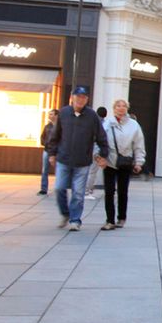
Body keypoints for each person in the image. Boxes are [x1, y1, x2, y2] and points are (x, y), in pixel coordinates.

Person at [47, 86, 109, 232]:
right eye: (78, 96)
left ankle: (75, 220)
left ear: (87, 99)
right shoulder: (63, 113)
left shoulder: (92, 116)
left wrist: (103, 155)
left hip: (83, 161)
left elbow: (101, 136)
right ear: (72, 97)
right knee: (59, 188)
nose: (80, 99)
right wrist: (52, 153)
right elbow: (55, 135)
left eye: (84, 97)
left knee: (78, 193)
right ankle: (65, 213)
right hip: (64, 159)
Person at [100, 99, 145, 231]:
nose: (121, 108)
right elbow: (100, 141)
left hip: (125, 161)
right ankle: (109, 220)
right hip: (109, 161)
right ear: (114, 109)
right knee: (109, 192)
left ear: (127, 108)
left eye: (123, 106)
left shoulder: (133, 125)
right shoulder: (107, 124)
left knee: (122, 191)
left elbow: (138, 145)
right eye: (118, 106)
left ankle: (121, 217)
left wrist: (139, 162)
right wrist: (99, 157)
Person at [84, 106, 107, 200]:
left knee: (89, 170)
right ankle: (87, 191)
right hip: (96, 149)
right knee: (92, 171)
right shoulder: (103, 124)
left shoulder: (91, 122)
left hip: (89, 148)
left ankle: (88, 190)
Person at [38, 109, 58, 196]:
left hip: (58, 151)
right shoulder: (47, 126)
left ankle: (59, 188)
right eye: (49, 114)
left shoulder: (61, 126)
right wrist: (46, 143)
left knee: (59, 170)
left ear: (56, 115)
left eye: (51, 114)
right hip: (47, 150)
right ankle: (43, 189)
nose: (49, 116)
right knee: (44, 170)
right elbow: (42, 137)